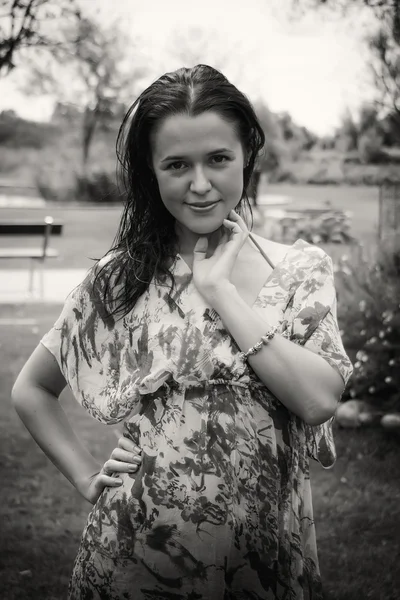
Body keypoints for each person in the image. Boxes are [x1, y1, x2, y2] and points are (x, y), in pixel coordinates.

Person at [12, 64, 353, 600]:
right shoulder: (123, 278)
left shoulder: (300, 271)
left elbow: (317, 400)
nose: (200, 185)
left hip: (262, 558)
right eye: (176, 165)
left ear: (247, 157)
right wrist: (85, 478)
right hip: (136, 554)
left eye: (218, 158)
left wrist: (221, 292)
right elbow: (31, 390)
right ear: (152, 173)